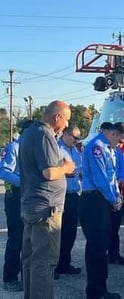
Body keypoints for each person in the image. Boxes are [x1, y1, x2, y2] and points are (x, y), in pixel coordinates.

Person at [18, 100, 75, 299]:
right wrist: (66, 168)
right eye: (66, 120)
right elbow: (50, 172)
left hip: (32, 206)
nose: (67, 125)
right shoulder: (45, 135)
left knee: (31, 260)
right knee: (44, 262)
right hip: (46, 210)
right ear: (57, 117)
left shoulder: (29, 133)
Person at [81, 122, 124, 299]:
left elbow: (112, 177)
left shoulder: (108, 148)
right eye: (120, 141)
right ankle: (96, 292)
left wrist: (117, 196)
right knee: (97, 249)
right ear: (114, 134)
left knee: (100, 247)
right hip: (94, 200)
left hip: (102, 199)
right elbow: (100, 180)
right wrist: (114, 200)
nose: (119, 145)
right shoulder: (97, 148)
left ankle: (100, 289)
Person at [0, 120, 34, 292]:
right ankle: (10, 277)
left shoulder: (30, 148)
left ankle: (26, 275)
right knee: (16, 239)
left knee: (28, 239)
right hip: (16, 197)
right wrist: (25, 182)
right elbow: (4, 171)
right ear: (26, 131)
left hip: (29, 197)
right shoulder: (14, 147)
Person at [56, 125, 83, 275]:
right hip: (61, 195)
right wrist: (65, 173)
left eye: (79, 137)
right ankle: (54, 266)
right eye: (75, 137)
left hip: (74, 194)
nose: (77, 140)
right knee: (57, 232)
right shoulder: (56, 149)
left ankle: (64, 263)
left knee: (70, 232)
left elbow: (80, 168)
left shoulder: (76, 150)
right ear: (65, 134)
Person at [108, 122, 124, 265]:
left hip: (117, 191)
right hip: (107, 195)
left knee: (115, 227)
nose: (121, 145)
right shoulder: (102, 148)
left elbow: (122, 171)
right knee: (106, 229)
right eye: (120, 142)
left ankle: (114, 254)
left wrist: (121, 191)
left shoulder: (117, 151)